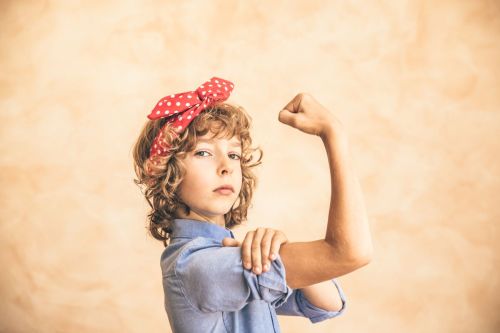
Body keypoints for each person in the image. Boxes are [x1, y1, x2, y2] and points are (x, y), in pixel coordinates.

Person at [132, 76, 373, 332]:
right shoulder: (197, 265)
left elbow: (329, 303)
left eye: (233, 154)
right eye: (203, 152)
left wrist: (278, 249)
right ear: (165, 171)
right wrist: (333, 133)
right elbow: (349, 252)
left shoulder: (227, 255)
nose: (226, 167)